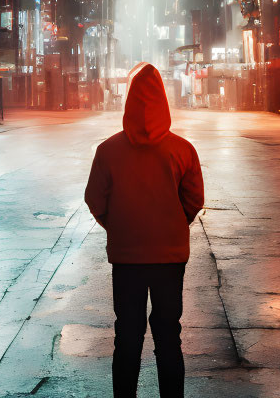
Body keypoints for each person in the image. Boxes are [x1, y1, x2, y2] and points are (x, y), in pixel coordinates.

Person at [85, 63, 204, 398]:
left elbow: (95, 199)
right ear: (164, 101)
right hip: (170, 258)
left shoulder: (108, 151)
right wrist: (173, 224)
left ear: (129, 101)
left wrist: (119, 225)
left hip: (126, 259)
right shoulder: (183, 150)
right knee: (168, 336)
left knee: (127, 336)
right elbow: (193, 200)